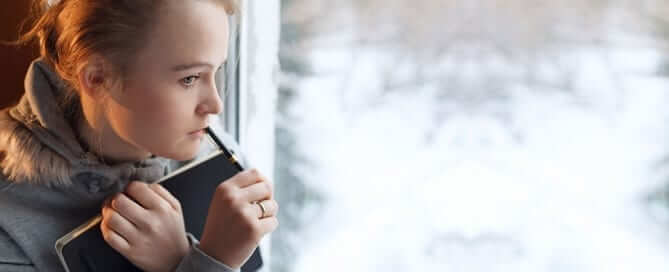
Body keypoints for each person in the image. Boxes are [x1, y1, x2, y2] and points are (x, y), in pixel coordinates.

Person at [0, 0, 279, 271]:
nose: (215, 105)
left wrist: (180, 260)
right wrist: (207, 262)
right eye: (190, 78)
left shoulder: (211, 151)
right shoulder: (9, 221)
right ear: (98, 79)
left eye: (217, 70)